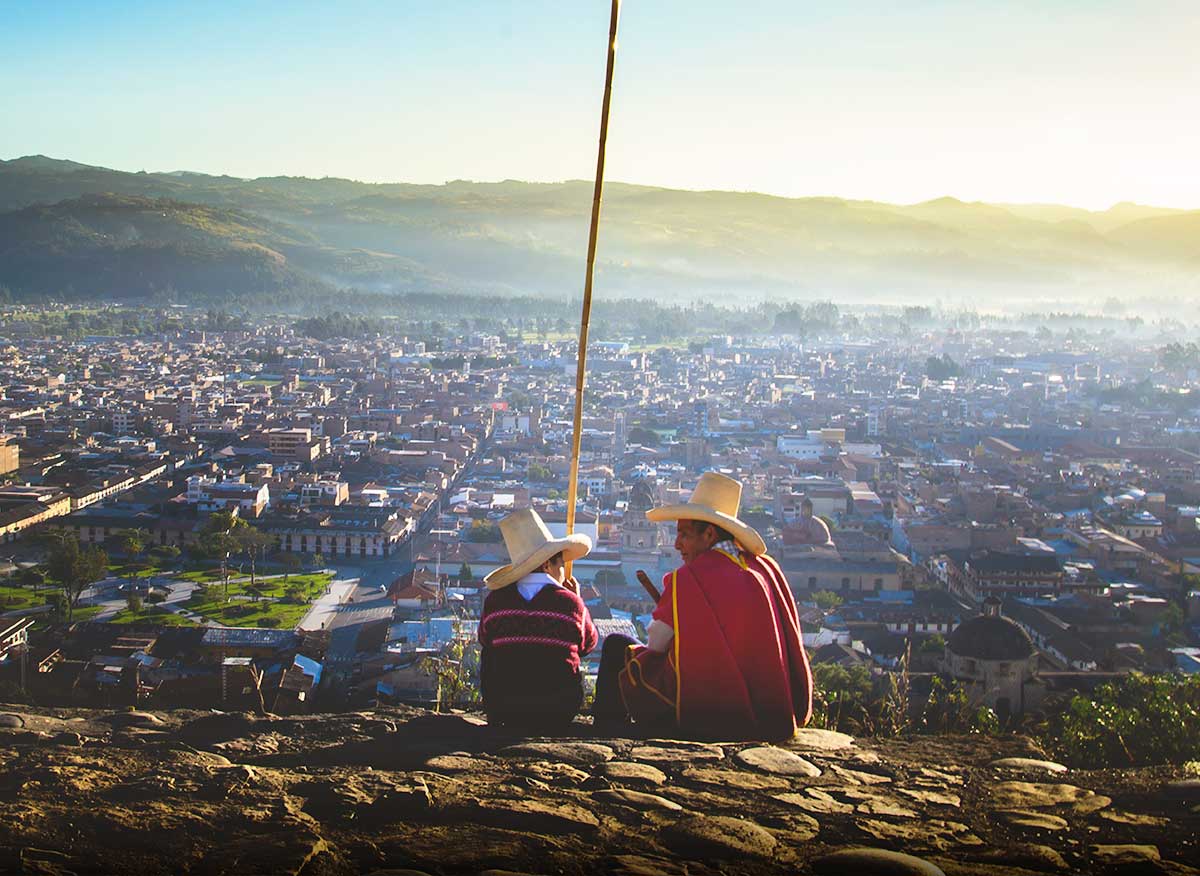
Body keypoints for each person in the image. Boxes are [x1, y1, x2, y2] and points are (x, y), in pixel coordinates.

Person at [593, 472, 812, 740]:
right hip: (770, 712)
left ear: (708, 534)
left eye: (684, 535)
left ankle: (608, 730)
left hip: (703, 709)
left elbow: (656, 645)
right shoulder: (766, 569)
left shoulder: (689, 578)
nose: (676, 545)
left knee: (616, 645)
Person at [479, 508, 598, 732]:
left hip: (505, 707)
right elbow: (587, 645)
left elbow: (484, 640)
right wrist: (576, 599)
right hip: (558, 708)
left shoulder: (495, 602)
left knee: (492, 650)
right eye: (561, 564)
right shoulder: (571, 604)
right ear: (547, 565)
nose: (563, 571)